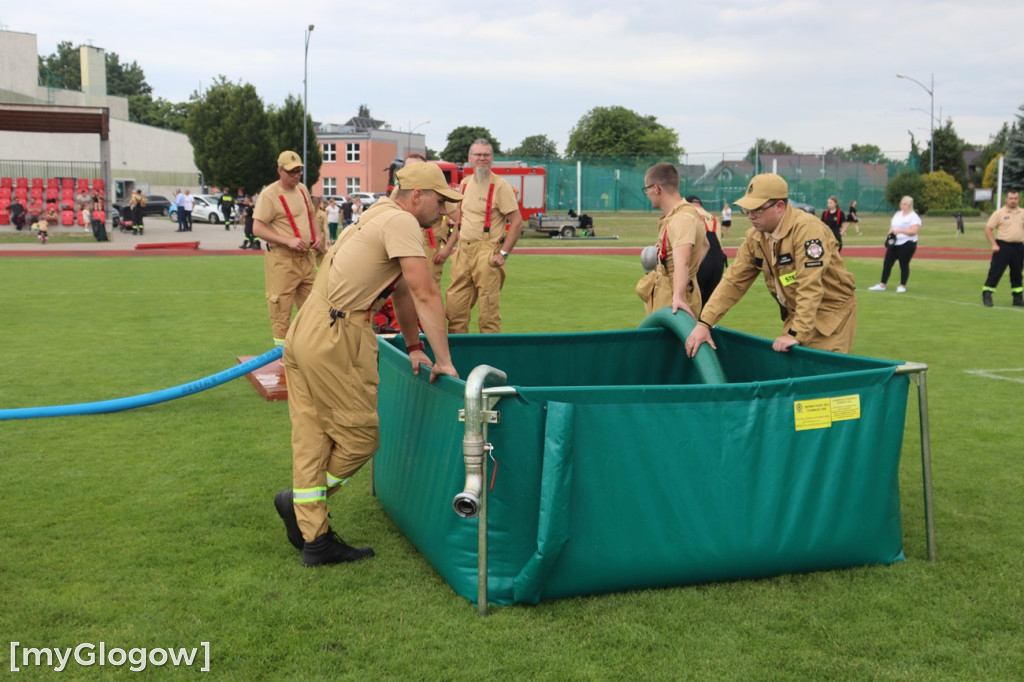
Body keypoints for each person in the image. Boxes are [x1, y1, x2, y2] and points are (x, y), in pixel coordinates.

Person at [272, 161, 462, 566]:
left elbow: (403, 294)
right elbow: (426, 292)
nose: (444, 211)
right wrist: (444, 361)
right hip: (335, 334)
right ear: (417, 196)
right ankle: (303, 506)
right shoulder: (403, 223)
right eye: (440, 200)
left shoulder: (376, 213)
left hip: (306, 329)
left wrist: (414, 346)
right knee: (360, 438)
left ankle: (316, 541)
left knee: (312, 438)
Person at [684, 173, 857, 356]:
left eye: (756, 210)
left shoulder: (807, 230)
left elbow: (810, 286)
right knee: (794, 376)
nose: (750, 216)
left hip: (830, 317)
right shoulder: (755, 237)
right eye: (747, 210)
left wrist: (796, 333)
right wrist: (705, 323)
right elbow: (733, 282)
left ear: (779, 206)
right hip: (798, 314)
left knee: (823, 378)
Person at [438, 139, 524, 333]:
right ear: (470, 159)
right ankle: (458, 358)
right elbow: (462, 218)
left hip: (487, 252)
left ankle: (489, 360)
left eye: (486, 155)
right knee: (455, 311)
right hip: (463, 252)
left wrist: (503, 253)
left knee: (488, 314)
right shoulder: (465, 184)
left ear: (492, 159)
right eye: (478, 155)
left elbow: (517, 222)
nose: (482, 159)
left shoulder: (500, 186)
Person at [253, 150, 321, 346]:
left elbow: (311, 215)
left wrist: (316, 237)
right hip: (282, 261)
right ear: (279, 171)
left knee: (314, 308)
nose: (297, 175)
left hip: (305, 260)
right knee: (281, 311)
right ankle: (280, 360)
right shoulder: (269, 195)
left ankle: (309, 352)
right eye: (292, 171)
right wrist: (287, 240)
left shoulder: (302, 189)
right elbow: (257, 228)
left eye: (299, 170)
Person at [634, 165, 707, 318]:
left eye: (646, 189)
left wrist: (678, 297)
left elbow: (683, 260)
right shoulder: (684, 214)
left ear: (656, 189)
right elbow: (705, 245)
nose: (647, 194)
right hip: (676, 294)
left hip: (672, 301)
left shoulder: (681, 218)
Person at [868, 195, 921, 293]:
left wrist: (900, 231)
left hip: (907, 243)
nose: (903, 206)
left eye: (905, 204)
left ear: (910, 206)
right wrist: (889, 236)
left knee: (903, 264)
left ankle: (902, 285)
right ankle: (882, 284)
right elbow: (892, 227)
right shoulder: (898, 214)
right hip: (895, 243)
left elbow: (914, 231)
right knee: (887, 263)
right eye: (902, 204)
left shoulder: (914, 217)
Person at [980, 189, 1024, 307]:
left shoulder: (1022, 213)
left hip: (1018, 247)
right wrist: (994, 244)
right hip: (1003, 246)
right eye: (1011, 198)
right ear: (1006, 199)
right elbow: (988, 229)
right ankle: (987, 294)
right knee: (996, 271)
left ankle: (1017, 297)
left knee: (1017, 273)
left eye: (1015, 198)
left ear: (1018, 199)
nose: (1013, 201)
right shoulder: (999, 213)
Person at [686, 194, 726, 306]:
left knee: (693, 300)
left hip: (702, 258)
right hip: (718, 261)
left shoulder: (689, 214)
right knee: (708, 303)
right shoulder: (713, 218)